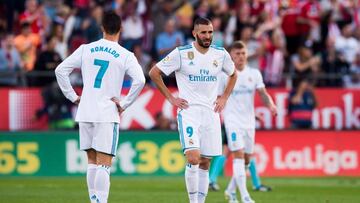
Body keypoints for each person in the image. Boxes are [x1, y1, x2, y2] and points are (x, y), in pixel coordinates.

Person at [55, 11, 145, 203]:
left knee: (92, 162)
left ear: (102, 28)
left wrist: (73, 97)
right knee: (104, 163)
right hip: (106, 113)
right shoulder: (125, 55)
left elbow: (60, 70)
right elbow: (140, 80)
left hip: (86, 111)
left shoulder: (86, 49)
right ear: (121, 29)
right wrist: (124, 103)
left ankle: (94, 200)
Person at [149, 17, 237, 203]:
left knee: (205, 162)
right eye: (203, 32)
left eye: (210, 32)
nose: (207, 36)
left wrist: (224, 97)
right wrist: (171, 98)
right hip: (189, 112)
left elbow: (233, 74)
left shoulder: (220, 54)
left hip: (211, 113)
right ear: (194, 33)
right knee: (194, 157)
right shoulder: (181, 53)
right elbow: (154, 73)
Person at [218, 41, 277, 203]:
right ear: (231, 56)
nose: (241, 57)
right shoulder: (225, 75)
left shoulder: (254, 74)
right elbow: (218, 97)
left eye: (243, 53)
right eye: (237, 54)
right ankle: (245, 196)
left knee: (246, 159)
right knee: (238, 155)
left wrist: (271, 105)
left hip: (249, 122)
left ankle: (230, 191)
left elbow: (263, 93)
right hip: (232, 121)